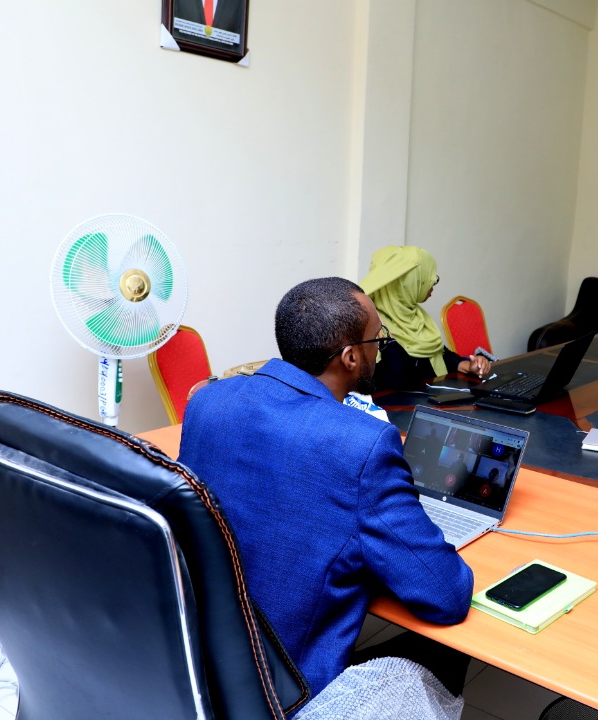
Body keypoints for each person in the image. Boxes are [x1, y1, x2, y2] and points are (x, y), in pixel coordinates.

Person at [178, 277, 474, 704]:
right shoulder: (362, 443)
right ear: (351, 357)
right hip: (284, 687)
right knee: (446, 646)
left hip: (204, 658)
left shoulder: (208, 402)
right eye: (378, 338)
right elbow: (446, 596)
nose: (380, 347)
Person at [360, 246, 490, 391]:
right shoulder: (370, 325)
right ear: (406, 282)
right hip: (394, 409)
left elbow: (438, 353)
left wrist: (467, 365)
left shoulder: (414, 314)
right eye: (427, 277)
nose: (433, 283)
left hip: (429, 402)